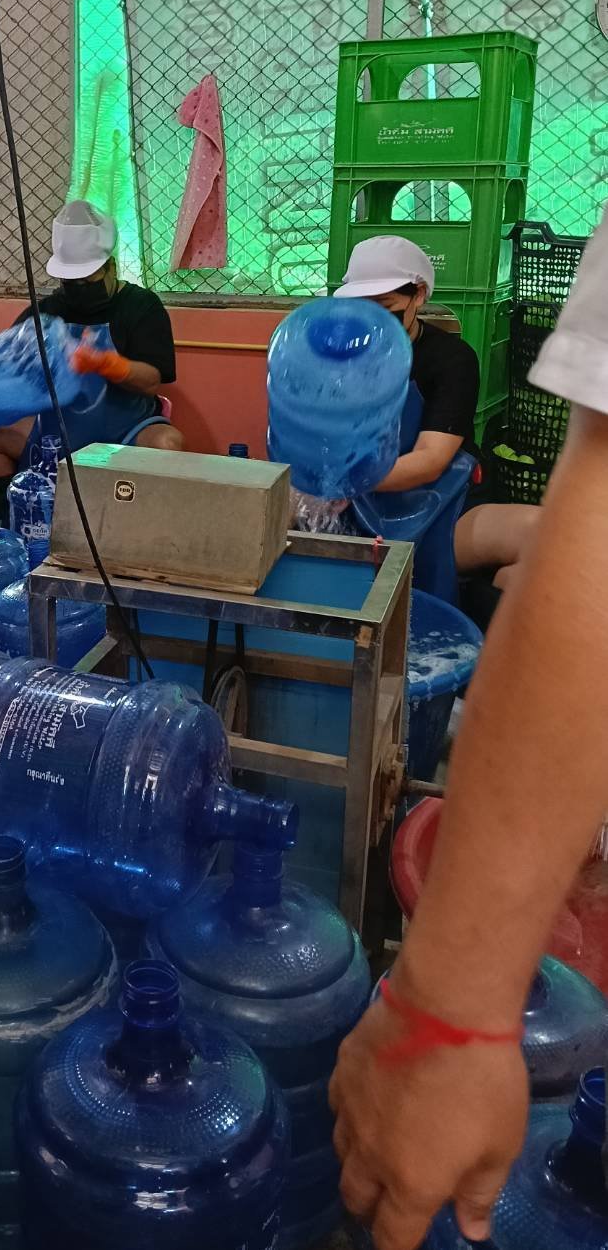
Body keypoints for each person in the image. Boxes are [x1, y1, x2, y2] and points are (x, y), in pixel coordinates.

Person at [329, 204, 608, 1250]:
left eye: (384, 304)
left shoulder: (444, 364)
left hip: (429, 506)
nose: (371, 318)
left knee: (512, 556)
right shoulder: (338, 347)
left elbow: (435, 463)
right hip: (363, 513)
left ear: (414, 300)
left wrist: (447, 1005)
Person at [334, 235, 539, 589]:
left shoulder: (451, 359)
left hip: (442, 502)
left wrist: (347, 480)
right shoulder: (340, 354)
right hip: (358, 504)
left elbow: (430, 460)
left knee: (546, 535)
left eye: (384, 306)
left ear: (418, 294)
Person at [0, 201, 183, 513]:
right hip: (54, 432)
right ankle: (12, 520)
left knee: (168, 444)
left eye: (87, 280)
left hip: (125, 431)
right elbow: (10, 372)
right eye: (71, 282)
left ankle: (143, 529)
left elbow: (151, 381)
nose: (79, 288)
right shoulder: (46, 312)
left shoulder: (141, 307)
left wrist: (108, 365)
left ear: (111, 267)